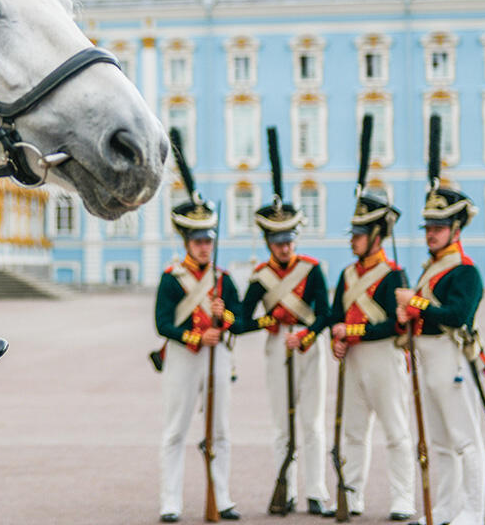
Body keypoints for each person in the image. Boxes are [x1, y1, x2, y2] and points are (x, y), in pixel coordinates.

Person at [155, 137, 241, 523]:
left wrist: (225, 317)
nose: (205, 246)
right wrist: (193, 336)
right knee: (176, 429)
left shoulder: (224, 279)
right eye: (199, 241)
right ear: (187, 242)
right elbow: (162, 322)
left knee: (219, 430)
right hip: (184, 357)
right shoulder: (173, 279)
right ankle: (170, 501)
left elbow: (240, 317)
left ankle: (221, 497)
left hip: (219, 355)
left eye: (209, 240)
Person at [396, 184, 485, 525]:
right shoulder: (432, 267)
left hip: (452, 358)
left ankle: (473, 512)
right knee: (440, 443)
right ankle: (446, 509)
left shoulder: (465, 270)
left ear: (456, 229)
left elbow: (455, 314)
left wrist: (414, 304)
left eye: (439, 228)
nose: (431, 234)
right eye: (430, 228)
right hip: (427, 358)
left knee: (466, 440)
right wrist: (406, 315)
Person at [240, 193, 334, 516]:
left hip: (308, 346)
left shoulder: (311, 270)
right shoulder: (260, 275)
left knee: (313, 422)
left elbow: (326, 313)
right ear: (268, 242)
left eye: (289, 240)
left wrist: (307, 335)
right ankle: (287, 489)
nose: (285, 247)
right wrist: (268, 320)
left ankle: (317, 491)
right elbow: (240, 320)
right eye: (278, 241)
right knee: (282, 425)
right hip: (277, 345)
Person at [329, 194, 415, 521]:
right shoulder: (347, 275)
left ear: (376, 237)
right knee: (353, 432)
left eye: (359, 234)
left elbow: (395, 325)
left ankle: (403, 498)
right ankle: (351, 494)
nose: (353, 239)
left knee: (396, 431)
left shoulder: (395, 275)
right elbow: (336, 316)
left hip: (384, 358)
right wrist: (336, 340)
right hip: (353, 360)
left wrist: (351, 333)